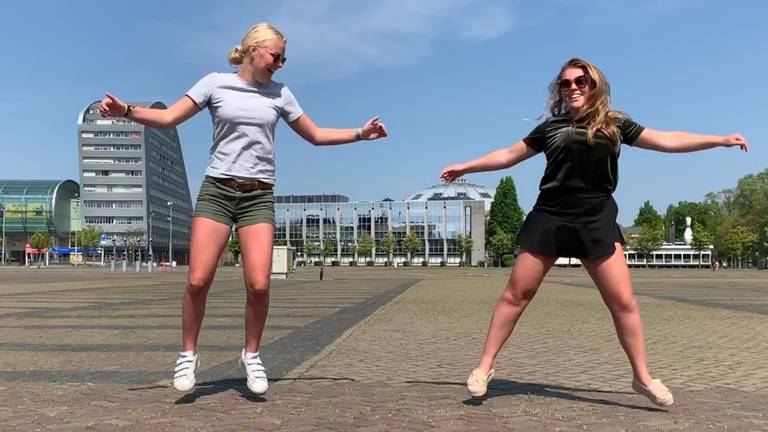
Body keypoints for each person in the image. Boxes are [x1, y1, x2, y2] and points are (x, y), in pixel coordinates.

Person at [99, 23, 387, 395]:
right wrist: (127, 112)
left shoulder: (281, 94)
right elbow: (170, 118)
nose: (280, 63)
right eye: (276, 56)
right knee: (198, 279)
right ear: (254, 50)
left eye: (284, 58)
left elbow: (314, 136)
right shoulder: (215, 84)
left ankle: (251, 354)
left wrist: (360, 134)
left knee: (259, 283)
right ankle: (188, 354)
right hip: (217, 191)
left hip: (258, 195)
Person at [440, 58, 748, 406]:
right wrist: (466, 166)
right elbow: (508, 155)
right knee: (516, 295)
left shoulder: (616, 125)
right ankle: (484, 368)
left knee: (623, 302)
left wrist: (719, 140)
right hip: (550, 215)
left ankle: (642, 378)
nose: (572, 87)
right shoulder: (550, 128)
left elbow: (667, 139)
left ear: (594, 85)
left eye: (580, 81)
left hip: (596, 216)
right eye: (565, 83)